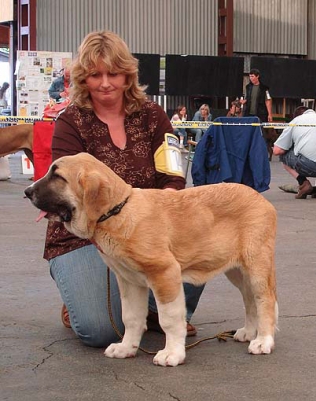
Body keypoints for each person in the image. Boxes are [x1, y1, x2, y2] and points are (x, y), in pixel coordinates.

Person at [44, 30, 204, 348]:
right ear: (82, 78)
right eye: (95, 75)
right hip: (86, 236)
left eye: (114, 73)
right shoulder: (70, 123)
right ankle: (91, 297)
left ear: (127, 75)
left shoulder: (154, 116)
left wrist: (169, 203)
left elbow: (173, 173)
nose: (105, 83)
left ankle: (153, 306)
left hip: (147, 230)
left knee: (199, 241)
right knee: (100, 331)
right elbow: (67, 192)